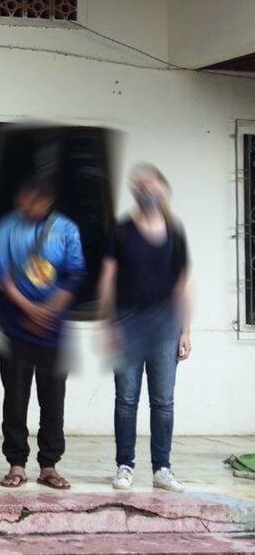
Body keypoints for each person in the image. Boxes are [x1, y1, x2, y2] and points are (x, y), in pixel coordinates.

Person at [98, 164, 190, 492]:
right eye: (141, 184)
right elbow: (107, 279)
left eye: (153, 184)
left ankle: (162, 468)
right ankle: (125, 465)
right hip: (127, 324)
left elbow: (181, 284)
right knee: (126, 399)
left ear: (163, 189)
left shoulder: (174, 231)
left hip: (165, 326)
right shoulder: (121, 230)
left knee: (163, 401)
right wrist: (107, 325)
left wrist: (186, 330)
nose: (147, 190)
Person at [0, 173, 85, 490]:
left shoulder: (66, 229)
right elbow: (1, 275)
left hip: (53, 332)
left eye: (34, 199)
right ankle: (16, 463)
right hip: (16, 327)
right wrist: (29, 309)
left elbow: (73, 275)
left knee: (53, 398)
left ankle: (49, 465)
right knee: (15, 398)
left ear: (47, 201)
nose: (26, 204)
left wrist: (49, 310)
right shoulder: (7, 226)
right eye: (24, 198)